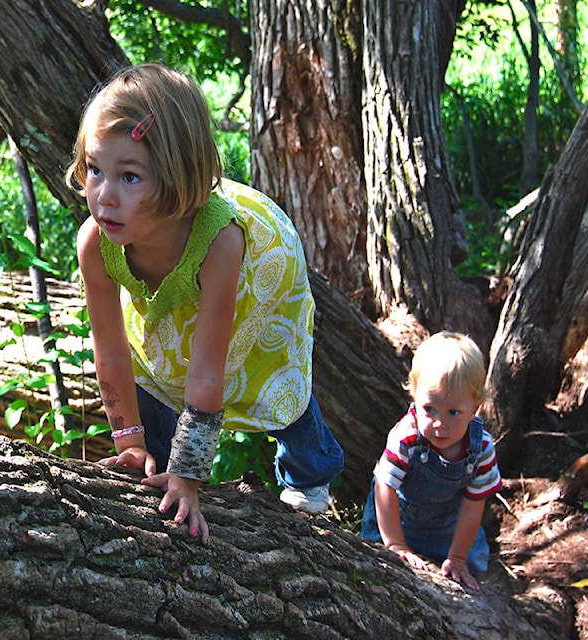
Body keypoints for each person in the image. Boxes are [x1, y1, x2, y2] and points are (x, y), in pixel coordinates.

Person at [66, 63, 344, 545]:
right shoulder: (97, 241)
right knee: (153, 371)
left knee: (271, 378)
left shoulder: (223, 242)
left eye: (129, 177)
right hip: (176, 292)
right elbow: (112, 353)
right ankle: (153, 458)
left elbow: (207, 373)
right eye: (95, 169)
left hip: (257, 280)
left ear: (176, 178)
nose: (104, 197)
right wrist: (127, 440)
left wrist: (191, 476)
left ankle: (311, 469)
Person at [360, 331, 502, 590]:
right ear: (414, 395)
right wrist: (395, 544)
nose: (439, 423)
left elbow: (473, 505)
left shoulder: (481, 447)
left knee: (472, 567)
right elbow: (385, 488)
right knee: (375, 563)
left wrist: (457, 557)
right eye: (429, 409)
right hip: (395, 520)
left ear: (476, 407)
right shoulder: (407, 436)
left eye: (454, 412)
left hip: (448, 529)